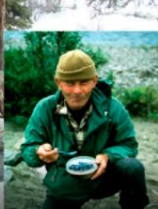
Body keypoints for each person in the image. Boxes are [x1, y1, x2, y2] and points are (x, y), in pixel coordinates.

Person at [20, 49, 149, 208]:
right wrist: (38, 152)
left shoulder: (113, 108)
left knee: (133, 167)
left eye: (84, 83)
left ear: (94, 81)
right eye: (70, 83)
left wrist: (108, 156)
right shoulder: (45, 108)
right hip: (64, 183)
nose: (77, 91)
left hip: (104, 177)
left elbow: (129, 145)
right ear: (58, 82)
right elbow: (27, 148)